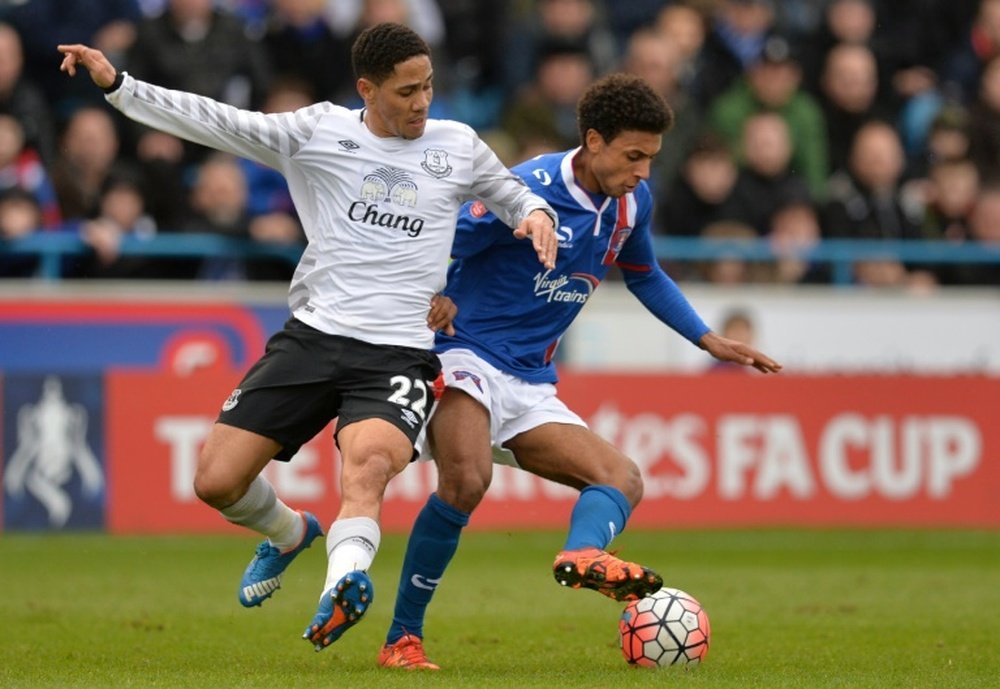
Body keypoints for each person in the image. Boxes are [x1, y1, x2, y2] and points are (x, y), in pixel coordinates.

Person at [57, 21, 558, 651]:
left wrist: (535, 215)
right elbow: (220, 121)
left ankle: (341, 588)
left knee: (368, 466)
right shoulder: (319, 132)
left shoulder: (457, 144)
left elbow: (509, 193)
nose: (422, 102)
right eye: (406, 92)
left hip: (399, 351)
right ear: (366, 90)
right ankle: (290, 533)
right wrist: (120, 86)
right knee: (215, 481)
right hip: (313, 338)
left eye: (428, 86)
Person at [377, 73, 782, 670]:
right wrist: (430, 293)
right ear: (594, 141)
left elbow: (643, 273)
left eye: (651, 158)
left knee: (623, 477)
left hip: (532, 381)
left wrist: (705, 337)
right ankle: (402, 640)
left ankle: (583, 555)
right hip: (465, 355)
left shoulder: (630, 205)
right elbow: (438, 238)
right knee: (467, 481)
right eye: (633, 155)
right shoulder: (527, 187)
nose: (643, 171)